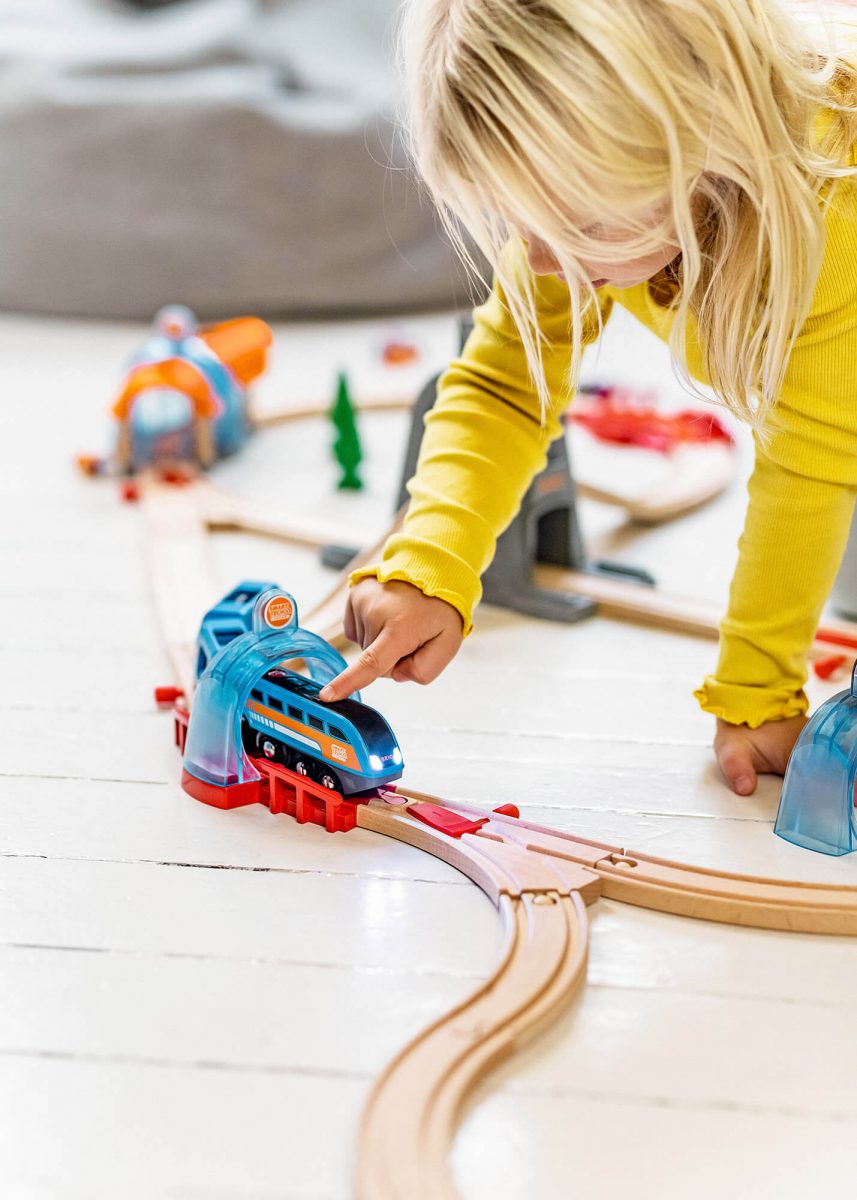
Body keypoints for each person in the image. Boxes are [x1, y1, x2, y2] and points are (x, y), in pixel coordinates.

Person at [319, 0, 857, 796]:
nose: (536, 259)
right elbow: (506, 380)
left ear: (694, 139)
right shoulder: (578, 207)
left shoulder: (830, 215)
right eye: (515, 218)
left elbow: (808, 469)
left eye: (575, 223)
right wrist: (428, 564)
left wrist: (755, 687)